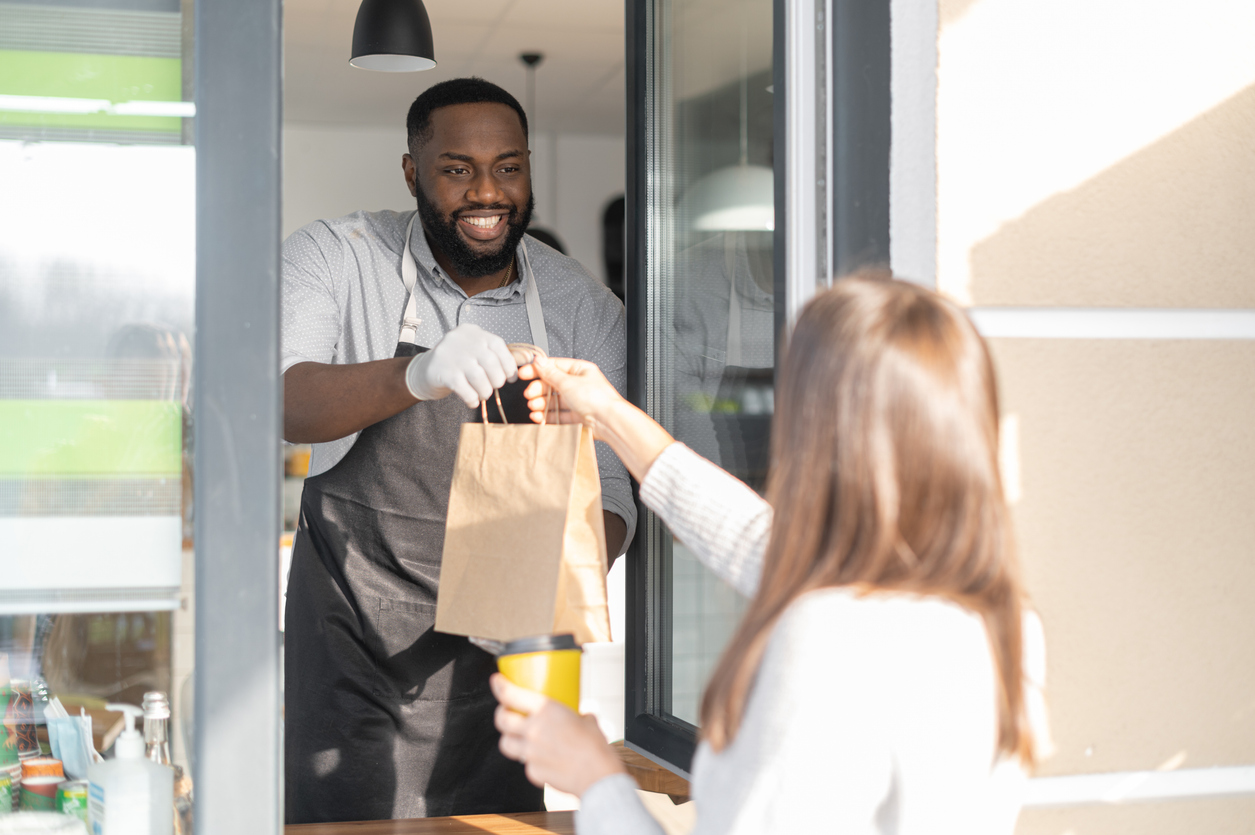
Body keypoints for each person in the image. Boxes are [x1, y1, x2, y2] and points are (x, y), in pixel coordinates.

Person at [496, 272, 1051, 834]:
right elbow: (751, 537)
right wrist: (609, 415)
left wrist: (594, 779)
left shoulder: (827, 636)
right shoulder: (999, 620)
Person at [280, 77, 636, 824]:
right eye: (456, 168)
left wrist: (548, 590)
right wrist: (416, 373)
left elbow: (611, 489)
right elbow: (282, 399)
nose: (487, 191)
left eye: (508, 166)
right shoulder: (336, 256)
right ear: (412, 172)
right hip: (351, 649)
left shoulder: (586, 310)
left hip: (500, 666)